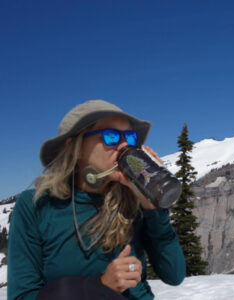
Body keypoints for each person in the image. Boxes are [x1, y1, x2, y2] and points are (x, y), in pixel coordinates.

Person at [7, 100, 186, 300]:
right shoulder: (37, 205)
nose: (125, 146)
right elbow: (21, 295)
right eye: (111, 137)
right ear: (76, 147)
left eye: (130, 137)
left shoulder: (133, 200)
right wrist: (100, 287)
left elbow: (174, 274)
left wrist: (152, 206)